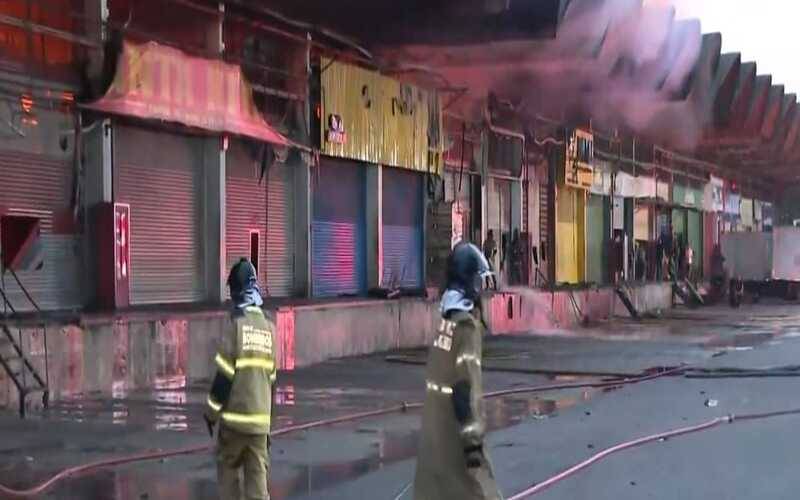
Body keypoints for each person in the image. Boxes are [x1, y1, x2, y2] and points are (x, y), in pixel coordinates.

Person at [413, 242, 503, 500]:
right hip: (456, 442)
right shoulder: (466, 329)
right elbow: (464, 388)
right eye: (478, 281)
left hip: (435, 441)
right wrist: (473, 443)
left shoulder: (446, 324)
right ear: (470, 283)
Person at [205, 258, 277, 500]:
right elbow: (272, 381)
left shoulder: (235, 326)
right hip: (259, 427)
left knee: (228, 478)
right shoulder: (270, 328)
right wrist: (268, 423)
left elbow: (224, 379)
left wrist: (211, 415)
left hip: (234, 425)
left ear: (237, 292)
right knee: (258, 489)